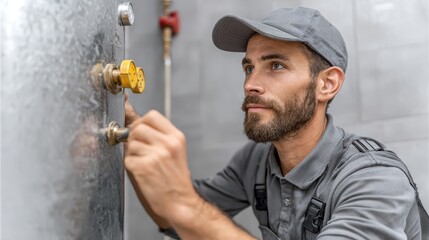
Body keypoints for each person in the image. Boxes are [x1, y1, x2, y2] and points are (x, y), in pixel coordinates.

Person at [124, 7, 427, 240]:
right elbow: (173, 219)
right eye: (249, 67)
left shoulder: (375, 179)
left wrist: (186, 206)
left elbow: (187, 211)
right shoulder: (257, 160)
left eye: (276, 65)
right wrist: (133, 145)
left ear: (327, 84)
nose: (251, 84)